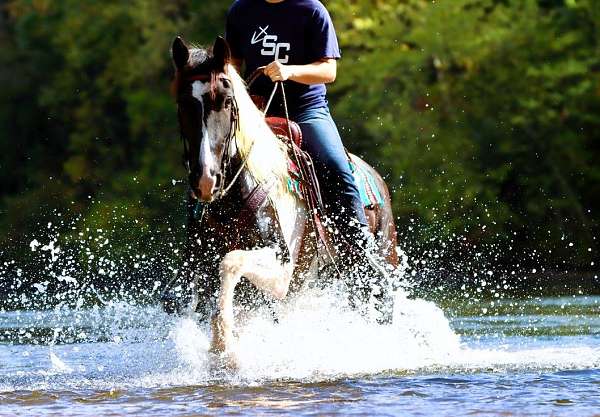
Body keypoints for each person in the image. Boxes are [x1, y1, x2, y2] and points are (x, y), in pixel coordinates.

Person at [225, 0, 381, 269]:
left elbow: (328, 71)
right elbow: (233, 65)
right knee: (212, 162)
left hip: (305, 109)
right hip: (254, 111)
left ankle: (361, 251)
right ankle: (195, 258)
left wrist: (290, 71)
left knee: (335, 166)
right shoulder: (241, 10)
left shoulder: (312, 10)